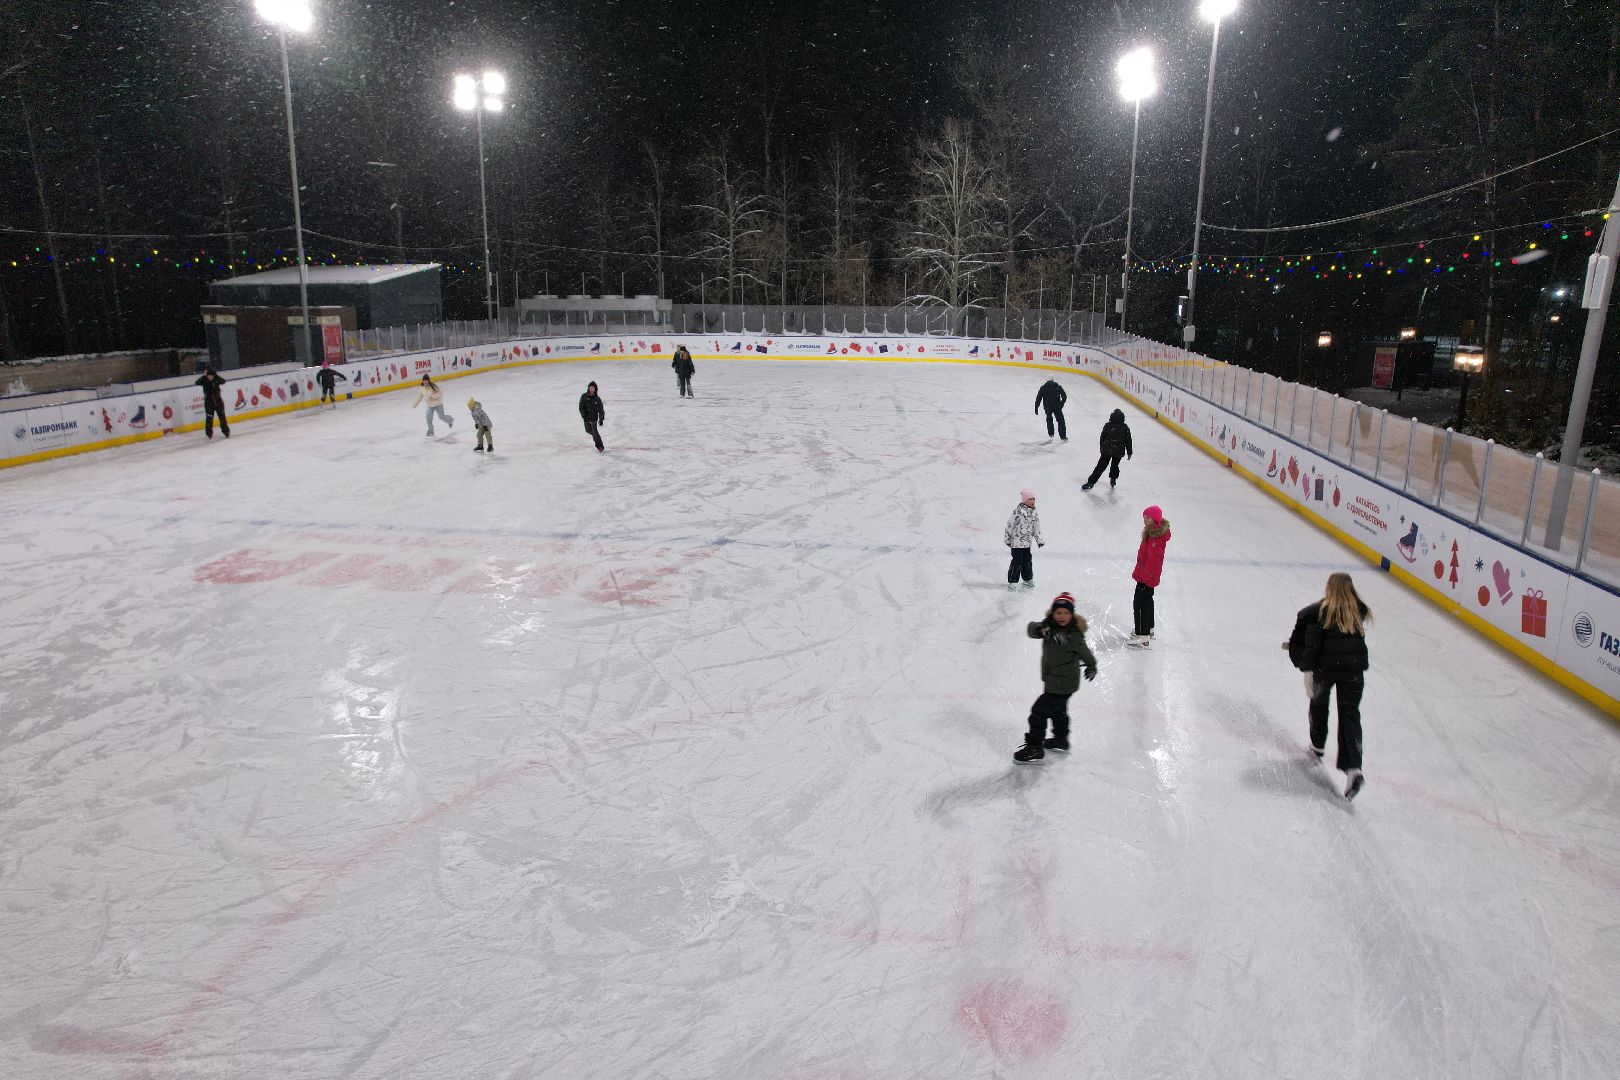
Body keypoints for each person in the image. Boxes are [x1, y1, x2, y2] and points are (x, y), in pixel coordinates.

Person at [1285, 572, 1371, 800]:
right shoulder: (1357, 612)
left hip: (1326, 670)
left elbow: (1312, 646)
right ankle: (1354, 770)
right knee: (1350, 715)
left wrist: (1305, 666)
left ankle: (1317, 747)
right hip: (1354, 673)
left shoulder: (1319, 613)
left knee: (1319, 704)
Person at [1016, 592, 1098, 763]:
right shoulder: (1048, 628)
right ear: (1053, 613)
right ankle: (1061, 740)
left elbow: (1085, 652)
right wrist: (1042, 629)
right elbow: (1031, 629)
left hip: (1064, 683)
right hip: (1053, 679)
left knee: (1038, 713)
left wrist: (1091, 666)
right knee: (1058, 712)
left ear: (1072, 615)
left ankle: (1035, 748)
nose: (1062, 616)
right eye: (1058, 612)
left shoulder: (1073, 635)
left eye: (1066, 613)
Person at [1126, 505, 1170, 648]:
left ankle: (1142, 634)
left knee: (1139, 604)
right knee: (1147, 601)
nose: (1145, 520)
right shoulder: (1153, 533)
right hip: (1148, 575)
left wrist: (1144, 576)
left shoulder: (1155, 537)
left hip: (1147, 576)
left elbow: (1154, 561)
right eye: (1144, 517)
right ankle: (1148, 629)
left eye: (1148, 518)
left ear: (1156, 519)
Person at [1082, 409, 1134, 490]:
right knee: (1115, 465)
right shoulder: (1125, 427)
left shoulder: (1108, 425)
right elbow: (1128, 440)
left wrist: (1102, 448)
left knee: (1100, 467)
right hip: (1118, 451)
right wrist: (1129, 452)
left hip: (1107, 450)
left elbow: (1102, 438)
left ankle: (1091, 482)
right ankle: (1113, 479)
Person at [1003, 488, 1044, 591]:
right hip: (1016, 543)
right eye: (1030, 499)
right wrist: (1008, 539)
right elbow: (1010, 525)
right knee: (1017, 562)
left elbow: (1036, 527)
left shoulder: (1034, 512)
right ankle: (1013, 581)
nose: (1033, 501)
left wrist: (1039, 540)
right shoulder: (1018, 511)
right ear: (1024, 500)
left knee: (1027, 561)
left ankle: (1027, 578)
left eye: (1034, 499)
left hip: (1027, 544)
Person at [195, 365, 229, 439]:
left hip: (218, 402)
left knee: (222, 417)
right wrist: (203, 376)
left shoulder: (216, 379)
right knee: (209, 418)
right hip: (209, 403)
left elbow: (223, 381)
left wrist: (216, 376)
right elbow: (197, 382)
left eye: (211, 376)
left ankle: (226, 431)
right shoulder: (204, 380)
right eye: (208, 376)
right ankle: (209, 433)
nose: (210, 377)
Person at [579, 381, 606, 451]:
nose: (591, 389)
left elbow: (601, 410)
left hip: (594, 418)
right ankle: (595, 436)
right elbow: (581, 407)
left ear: (595, 389)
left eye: (593, 387)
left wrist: (601, 419)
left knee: (595, 431)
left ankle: (600, 446)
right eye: (590, 387)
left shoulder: (597, 399)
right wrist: (584, 416)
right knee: (587, 430)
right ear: (588, 388)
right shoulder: (584, 396)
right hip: (586, 418)